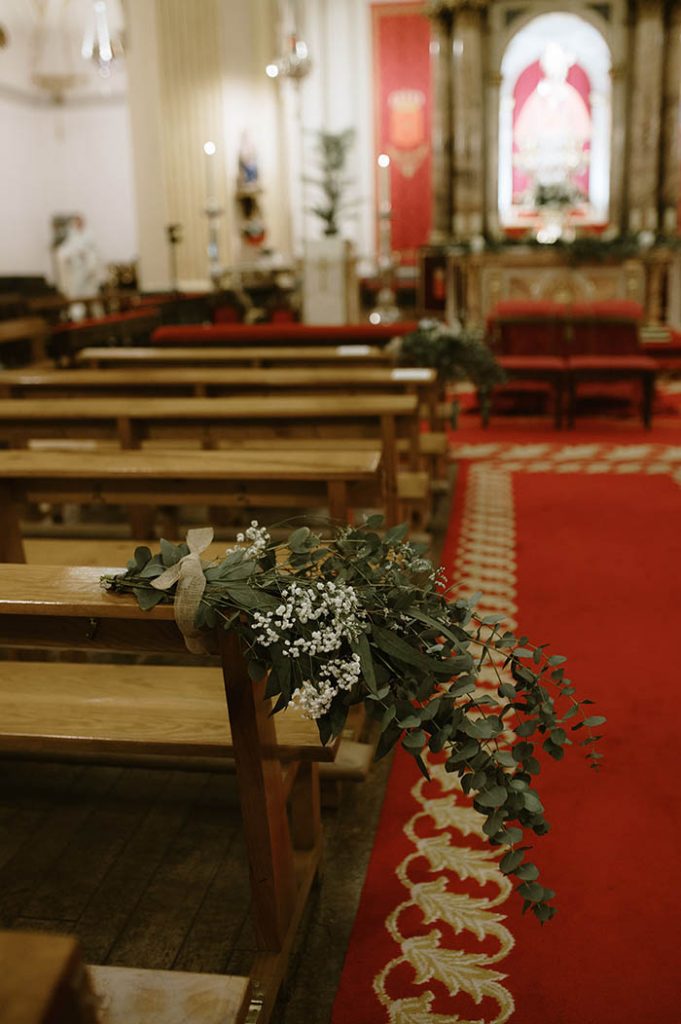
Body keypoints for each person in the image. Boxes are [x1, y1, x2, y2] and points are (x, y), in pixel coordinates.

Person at [54, 214, 101, 319]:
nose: (79, 224)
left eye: (81, 222)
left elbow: (95, 253)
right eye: (77, 222)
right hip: (76, 273)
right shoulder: (71, 238)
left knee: (92, 296)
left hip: (88, 274)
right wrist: (73, 256)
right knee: (76, 298)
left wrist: (87, 256)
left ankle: (97, 318)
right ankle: (77, 318)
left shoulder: (90, 236)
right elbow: (63, 253)